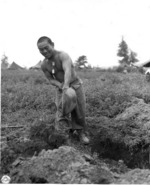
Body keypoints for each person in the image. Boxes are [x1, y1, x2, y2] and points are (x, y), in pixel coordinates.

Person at [37, 36, 89, 144]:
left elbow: (67, 71)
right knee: (61, 111)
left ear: (52, 45)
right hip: (61, 87)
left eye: (46, 47)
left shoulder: (63, 56)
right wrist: (62, 87)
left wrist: (66, 86)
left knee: (79, 111)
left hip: (75, 85)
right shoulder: (44, 64)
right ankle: (64, 136)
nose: (44, 51)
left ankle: (80, 133)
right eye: (41, 49)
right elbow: (50, 79)